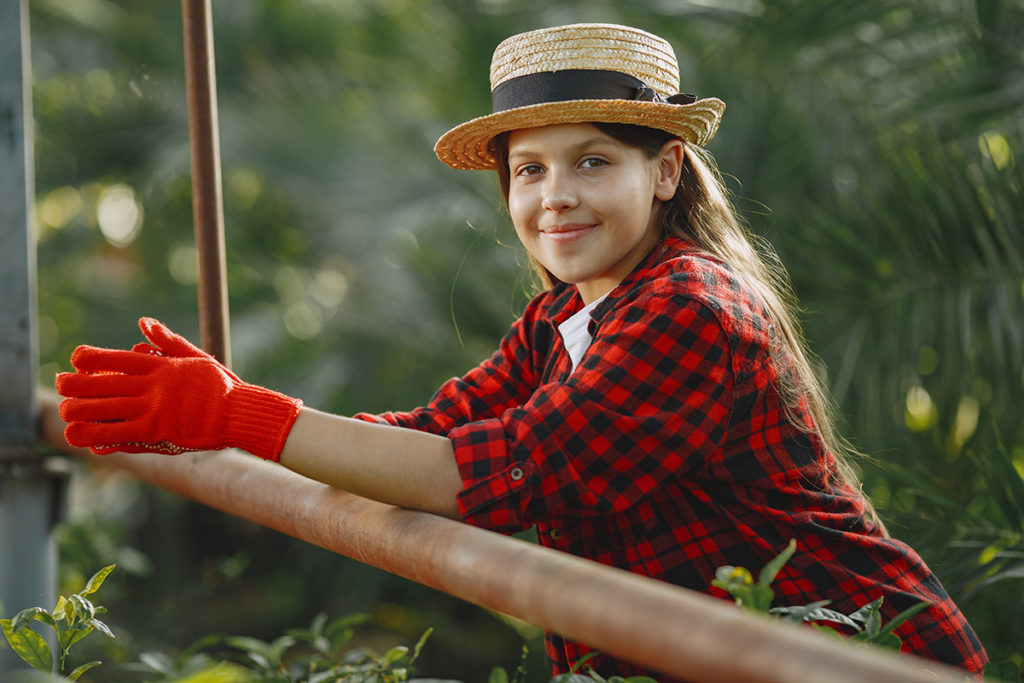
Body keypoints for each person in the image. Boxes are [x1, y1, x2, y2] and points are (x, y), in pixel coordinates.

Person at [55, 23, 987, 680]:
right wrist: (220, 416)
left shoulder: (692, 305)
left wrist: (235, 416)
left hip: (846, 655)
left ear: (663, 172)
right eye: (529, 169)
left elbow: (493, 473)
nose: (556, 197)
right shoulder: (560, 322)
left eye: (593, 161)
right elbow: (427, 433)